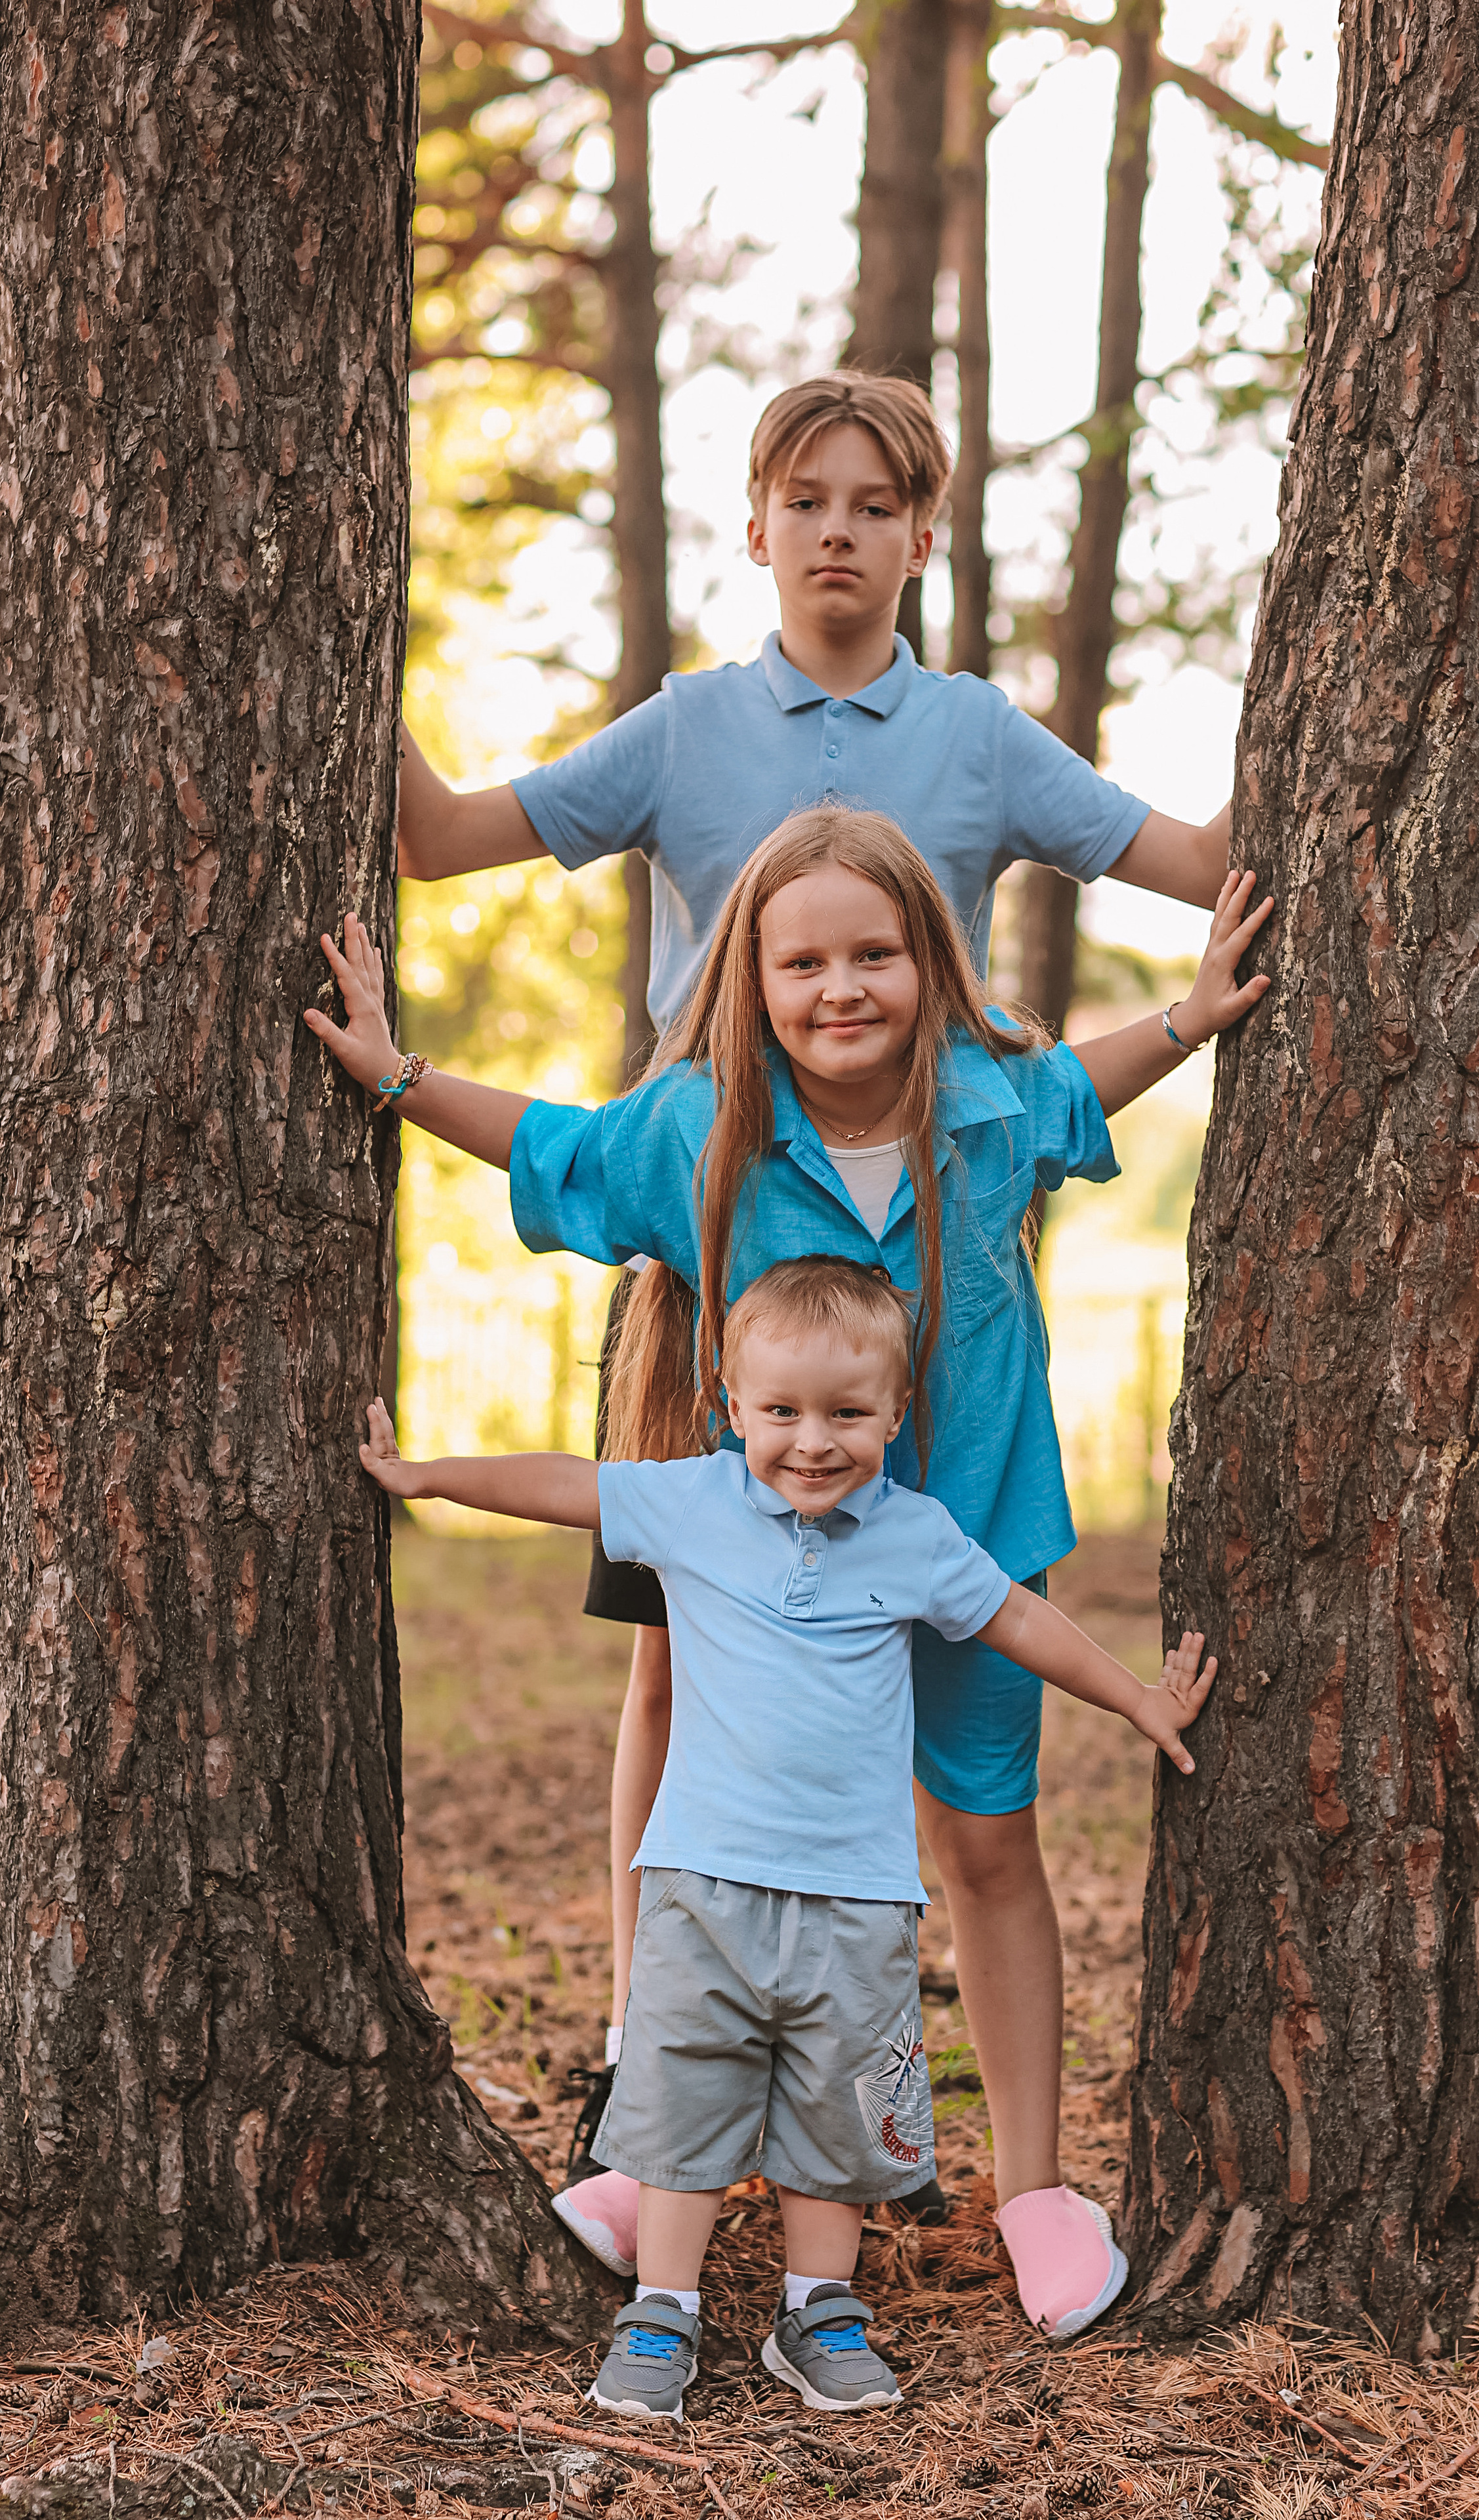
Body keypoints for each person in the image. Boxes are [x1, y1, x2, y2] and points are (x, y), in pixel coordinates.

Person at [392, 371, 1236, 2173]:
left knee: (944, 1695)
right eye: (808, 499)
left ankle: (994, 2159)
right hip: (709, 1247)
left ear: (925, 535)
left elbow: (1201, 866)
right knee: (680, 1679)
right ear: (758, 526)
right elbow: (443, 837)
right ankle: (652, 2053)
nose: (840, 529)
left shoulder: (983, 741)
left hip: (923, 1256)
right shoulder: (687, 730)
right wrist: (340, 620)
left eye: (876, 503)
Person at [304, 804, 1270, 2338]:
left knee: (983, 1841)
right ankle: (651, 2148)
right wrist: (401, 1078)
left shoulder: (991, 1102)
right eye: (802, 959)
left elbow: (1087, 1092)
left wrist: (1189, 1017)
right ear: (750, 977)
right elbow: (552, 1144)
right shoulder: (703, 1126)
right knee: (715, 1851)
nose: (841, 988)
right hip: (770, 1560)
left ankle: (1029, 2185)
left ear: (926, 961)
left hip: (963, 1539)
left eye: (874, 953)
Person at [358, 1255, 1217, 2418]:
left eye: (848, 1415)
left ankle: (818, 2309)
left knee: (836, 2113)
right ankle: (663, 2312)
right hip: (700, 1886)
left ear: (896, 1415)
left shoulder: (916, 1537)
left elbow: (1022, 1619)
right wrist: (424, 1478)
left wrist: (1138, 1699)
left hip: (858, 1898)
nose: (813, 1442)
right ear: (731, 1402)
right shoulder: (694, 1502)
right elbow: (567, 1483)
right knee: (681, 2101)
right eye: (782, 1413)